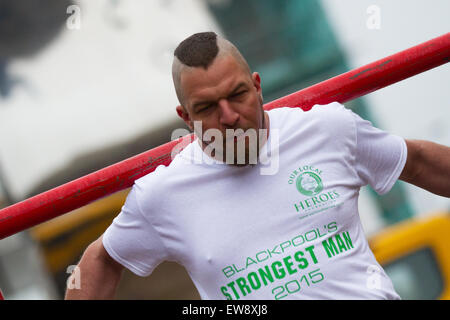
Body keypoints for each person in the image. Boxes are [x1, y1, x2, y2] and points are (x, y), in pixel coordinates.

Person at [65, 32, 450, 300]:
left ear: (258, 86)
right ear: (186, 117)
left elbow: (414, 161)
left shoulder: (326, 129)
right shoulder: (162, 195)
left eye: (237, 95)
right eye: (207, 108)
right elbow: (101, 259)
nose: (229, 116)